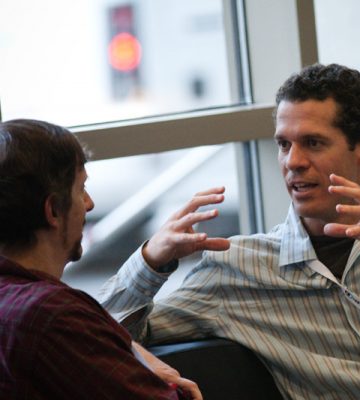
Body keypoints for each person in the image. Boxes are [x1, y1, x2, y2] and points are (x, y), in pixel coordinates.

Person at [99, 64, 360, 399]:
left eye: (313, 143)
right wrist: (150, 261)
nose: (293, 162)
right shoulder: (238, 266)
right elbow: (92, 334)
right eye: (284, 144)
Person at [0, 119, 213, 399]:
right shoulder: (52, 315)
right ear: (52, 210)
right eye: (80, 189)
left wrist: (134, 352)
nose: (89, 204)